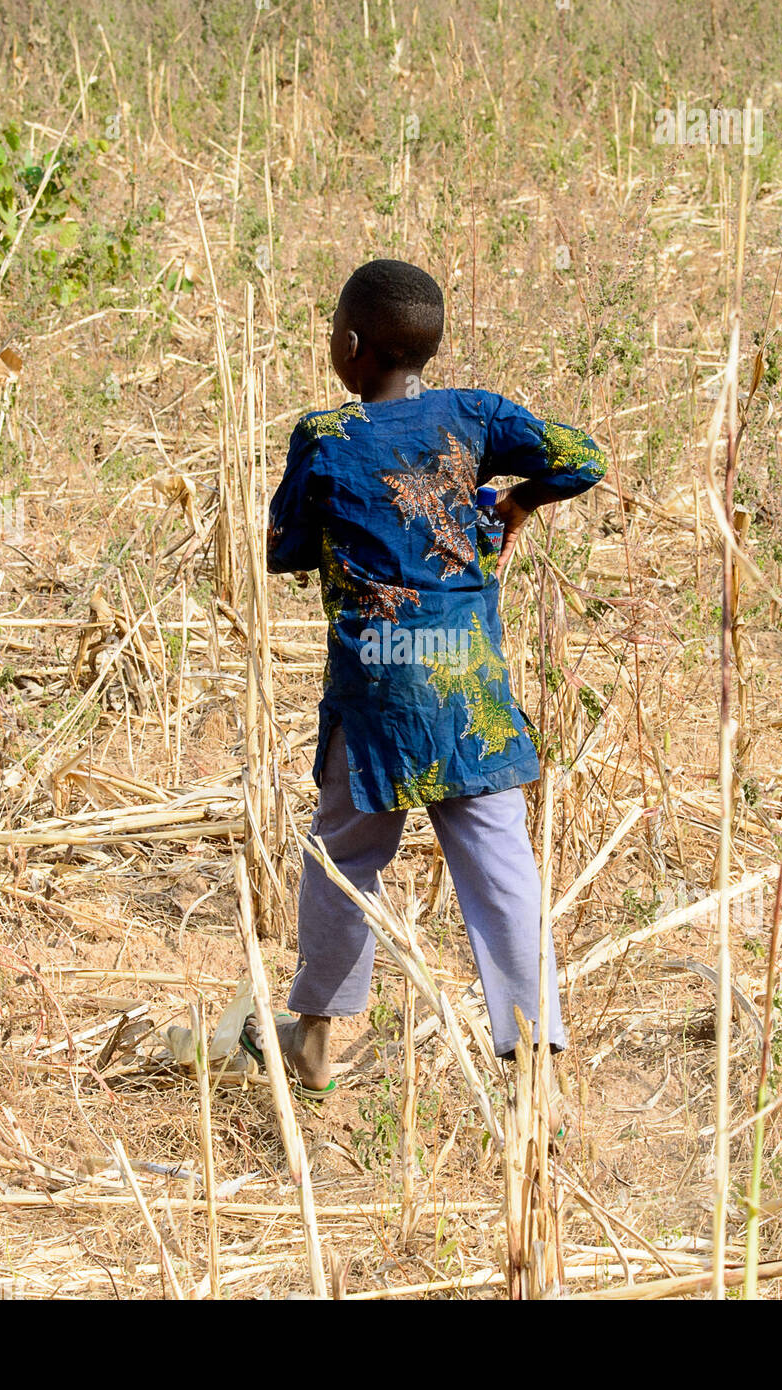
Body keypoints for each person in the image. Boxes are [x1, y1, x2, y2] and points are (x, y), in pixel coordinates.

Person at [241, 259, 606, 1102]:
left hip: (375, 696)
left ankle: (318, 1046)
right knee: (499, 867)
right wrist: (517, 503)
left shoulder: (327, 438)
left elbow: (283, 546)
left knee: (346, 855)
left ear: (354, 347)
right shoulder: (475, 416)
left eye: (335, 329)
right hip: (468, 695)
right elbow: (582, 457)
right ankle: (536, 1073)